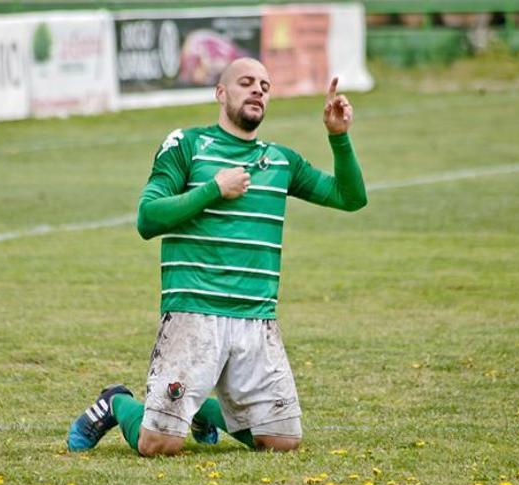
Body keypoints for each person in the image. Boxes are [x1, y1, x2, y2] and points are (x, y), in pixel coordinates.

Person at [67, 57, 367, 456]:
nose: (258, 89)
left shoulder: (280, 161)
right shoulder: (187, 145)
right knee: (158, 445)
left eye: (265, 84)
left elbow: (350, 198)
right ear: (221, 93)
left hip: (256, 318)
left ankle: (202, 411)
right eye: (246, 82)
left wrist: (338, 137)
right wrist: (213, 189)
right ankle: (116, 402)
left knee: (283, 441)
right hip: (193, 312)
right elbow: (147, 217)